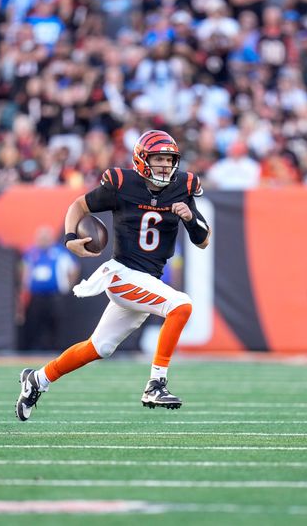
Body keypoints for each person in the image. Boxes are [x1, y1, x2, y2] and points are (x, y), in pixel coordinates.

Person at [16, 129, 210, 420]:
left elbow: (203, 240)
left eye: (169, 160)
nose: (165, 166)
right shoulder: (123, 184)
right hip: (121, 274)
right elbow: (78, 205)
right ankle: (156, 383)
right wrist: (70, 238)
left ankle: (38, 380)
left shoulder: (182, 186)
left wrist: (190, 218)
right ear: (142, 160)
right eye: (158, 159)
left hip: (147, 280)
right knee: (181, 305)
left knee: (98, 347)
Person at [20, 225, 79, 350]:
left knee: (56, 323)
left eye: (46, 237)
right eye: (41, 237)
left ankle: (55, 348)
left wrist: (69, 285)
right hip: (36, 296)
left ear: (51, 238)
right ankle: (34, 349)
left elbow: (74, 268)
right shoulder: (31, 252)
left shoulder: (59, 252)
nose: (43, 240)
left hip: (55, 295)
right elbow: (24, 269)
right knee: (34, 323)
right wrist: (25, 284)